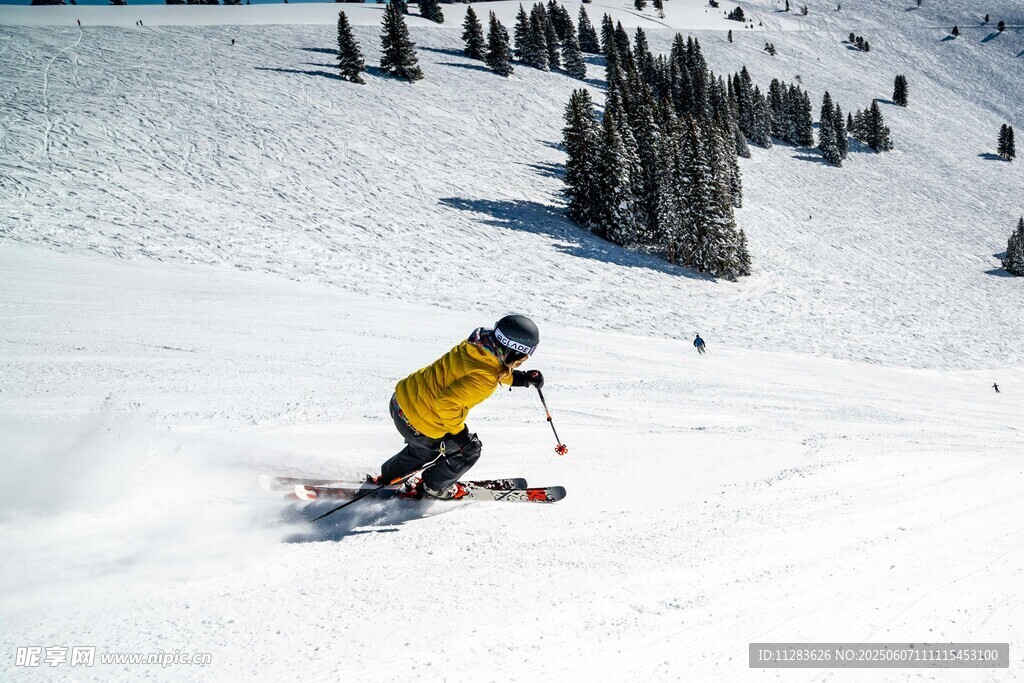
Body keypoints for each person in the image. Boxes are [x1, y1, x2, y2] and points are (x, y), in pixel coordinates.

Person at [373, 315, 545, 500]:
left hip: (401, 403)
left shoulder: (476, 345)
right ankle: (433, 488)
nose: (523, 360)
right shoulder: (486, 379)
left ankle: (389, 478)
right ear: (512, 351)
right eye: (523, 356)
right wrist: (462, 437)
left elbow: (481, 370)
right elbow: (446, 404)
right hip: (420, 423)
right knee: (467, 452)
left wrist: (521, 379)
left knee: (423, 449)